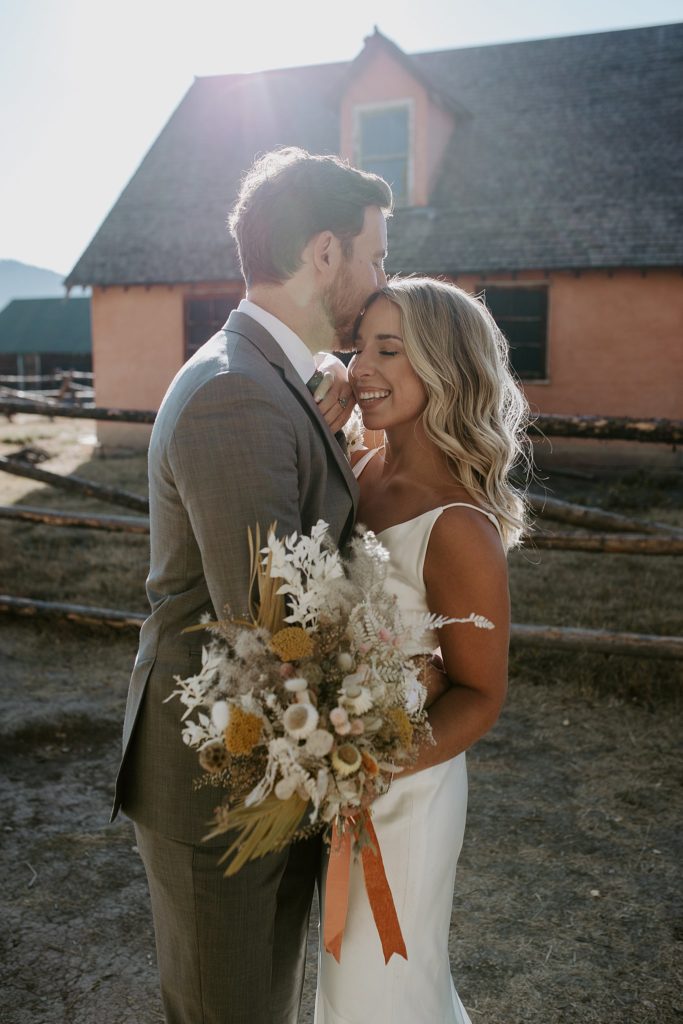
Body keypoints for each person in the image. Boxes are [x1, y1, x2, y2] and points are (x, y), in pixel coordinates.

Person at [112, 147, 392, 1024]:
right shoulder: (236, 394)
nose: (381, 277)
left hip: (266, 763)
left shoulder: (275, 385)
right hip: (216, 785)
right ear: (322, 254)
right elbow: (273, 621)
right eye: (374, 255)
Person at [315, 277, 530, 1023]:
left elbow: (478, 695)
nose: (360, 367)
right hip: (337, 779)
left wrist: (370, 766)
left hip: (404, 793)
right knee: (345, 991)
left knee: (384, 992)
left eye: (388, 350)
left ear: (444, 366)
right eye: (359, 346)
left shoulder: (460, 529)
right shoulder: (359, 471)